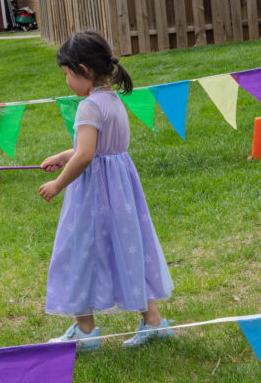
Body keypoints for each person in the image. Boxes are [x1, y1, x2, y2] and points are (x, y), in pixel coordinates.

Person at [39, 31, 175, 349]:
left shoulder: (89, 108)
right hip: (121, 195)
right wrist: (63, 156)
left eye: (67, 75)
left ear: (83, 70)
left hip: (92, 197)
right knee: (128, 251)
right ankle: (154, 322)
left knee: (78, 255)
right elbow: (99, 149)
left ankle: (85, 334)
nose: (67, 82)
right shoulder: (113, 101)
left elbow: (87, 155)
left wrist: (59, 184)